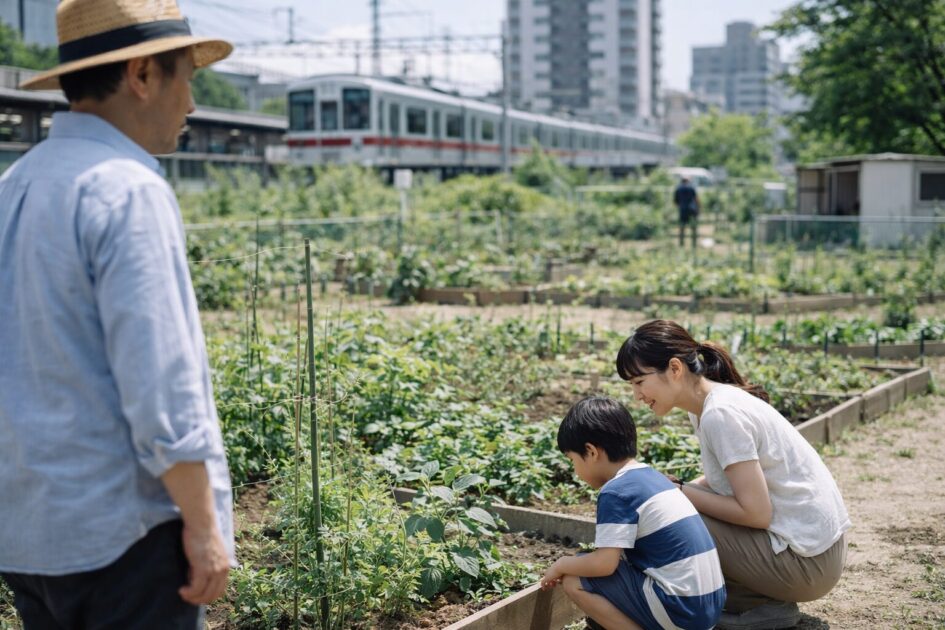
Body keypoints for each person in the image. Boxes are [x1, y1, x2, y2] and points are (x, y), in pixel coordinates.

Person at [0, 1, 235, 627]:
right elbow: (161, 384)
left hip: (28, 536)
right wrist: (204, 525)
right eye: (186, 77)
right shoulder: (127, 188)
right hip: (123, 539)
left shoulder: (15, 185)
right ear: (141, 75)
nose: (190, 104)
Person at [616, 320, 850, 630]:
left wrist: (680, 492)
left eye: (638, 382)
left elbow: (756, 513)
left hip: (808, 564)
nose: (637, 396)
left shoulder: (720, 414)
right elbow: (722, 484)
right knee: (670, 504)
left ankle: (746, 605)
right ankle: (754, 603)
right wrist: (671, 487)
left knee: (671, 517)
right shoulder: (709, 406)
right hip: (812, 551)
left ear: (674, 368)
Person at [541, 397, 726, 630]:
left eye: (572, 461)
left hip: (681, 612)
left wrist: (560, 564)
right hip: (708, 608)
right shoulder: (653, 478)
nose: (575, 471)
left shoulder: (617, 492)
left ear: (590, 452)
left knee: (574, 579)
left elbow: (604, 564)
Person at [673, 177, 699, 248]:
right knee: (693, 227)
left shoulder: (678, 189)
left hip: (683, 209)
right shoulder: (691, 188)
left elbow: (676, 202)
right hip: (692, 209)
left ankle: (681, 243)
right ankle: (694, 243)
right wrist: (698, 208)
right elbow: (696, 199)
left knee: (682, 227)